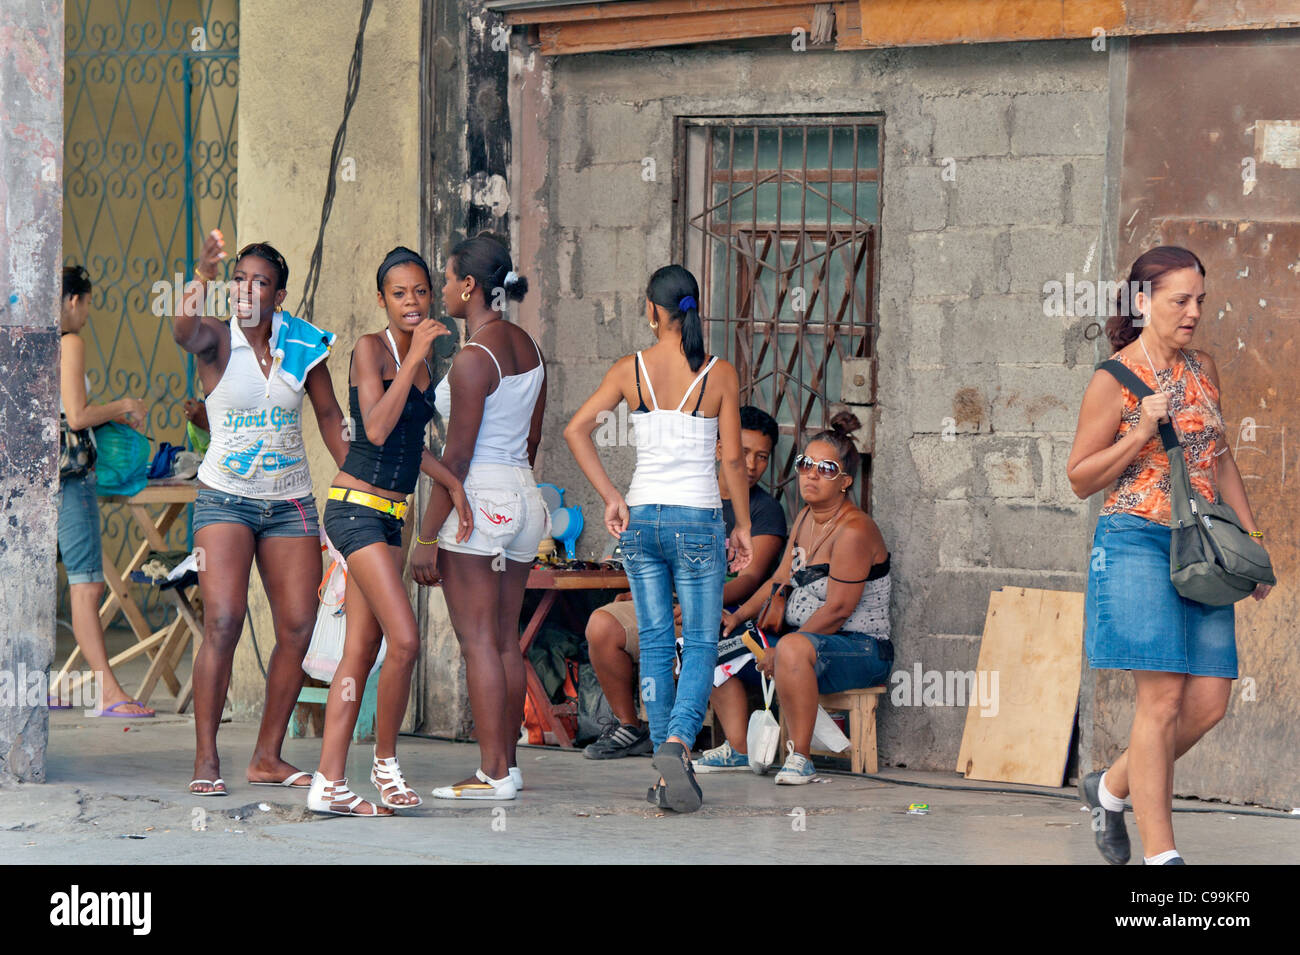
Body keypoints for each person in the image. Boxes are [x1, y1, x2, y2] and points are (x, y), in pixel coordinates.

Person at [1067, 245, 1269, 865]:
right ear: (1142, 301)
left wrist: (1252, 541)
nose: (1193, 312)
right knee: (1162, 700)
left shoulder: (1203, 368)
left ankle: (1109, 786)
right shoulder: (1115, 377)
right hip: (1137, 542)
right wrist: (1137, 434)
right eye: (1180, 300)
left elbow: (1220, 458)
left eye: (1199, 300)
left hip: (1204, 545)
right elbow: (1079, 477)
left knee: (1208, 702)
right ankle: (1163, 858)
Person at [565, 264, 753, 813]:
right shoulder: (720, 374)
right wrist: (740, 523)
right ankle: (677, 744)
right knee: (697, 642)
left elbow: (576, 430)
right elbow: (735, 458)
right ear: (693, 308)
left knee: (652, 642)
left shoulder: (631, 370)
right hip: (697, 519)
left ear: (652, 310)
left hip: (642, 519)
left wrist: (610, 496)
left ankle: (668, 775)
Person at [173, 231, 349, 796]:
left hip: (291, 501)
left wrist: (357, 479)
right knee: (222, 622)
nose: (248, 290)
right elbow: (182, 329)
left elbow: (327, 416)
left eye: (261, 282)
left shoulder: (304, 344)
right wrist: (201, 270)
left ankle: (267, 757)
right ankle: (206, 759)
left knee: (298, 626)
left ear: (279, 294)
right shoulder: (217, 340)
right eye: (240, 280)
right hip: (223, 497)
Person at [308, 247, 473, 817]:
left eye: (421, 292)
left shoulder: (423, 361)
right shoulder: (371, 350)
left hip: (393, 516)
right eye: (399, 293)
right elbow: (375, 430)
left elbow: (409, 443)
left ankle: (327, 782)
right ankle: (385, 764)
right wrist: (414, 356)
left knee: (364, 647)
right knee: (405, 639)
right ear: (382, 299)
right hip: (355, 508)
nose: (413, 302)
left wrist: (450, 480)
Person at [410, 233, 549, 802]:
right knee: (505, 641)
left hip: (478, 497)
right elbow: (533, 434)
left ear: (469, 286)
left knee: (478, 644)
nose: (440, 289)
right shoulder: (530, 347)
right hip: (524, 494)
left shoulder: (473, 358)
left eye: (445, 279)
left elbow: (456, 459)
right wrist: (512, 494)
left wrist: (425, 536)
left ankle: (492, 773)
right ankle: (508, 767)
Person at [583, 405, 787, 760]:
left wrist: (697, 603)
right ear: (720, 448)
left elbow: (751, 577)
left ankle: (677, 740)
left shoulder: (763, 511)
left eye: (762, 457)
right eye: (745, 453)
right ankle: (632, 727)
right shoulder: (692, 495)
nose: (752, 465)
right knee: (602, 624)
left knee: (683, 640)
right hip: (671, 599)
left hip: (722, 609)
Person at [720, 413, 892, 784]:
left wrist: (781, 651)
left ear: (845, 482)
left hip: (859, 649)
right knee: (710, 642)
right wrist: (738, 618)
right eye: (805, 464)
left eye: (826, 468)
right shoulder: (805, 519)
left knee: (795, 650)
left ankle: (801, 758)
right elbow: (779, 581)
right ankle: (737, 749)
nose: (812, 474)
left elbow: (838, 609)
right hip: (807, 642)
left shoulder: (854, 530)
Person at [53, 264, 154, 717]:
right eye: (88, 302)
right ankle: (110, 693)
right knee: (87, 584)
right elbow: (76, 415)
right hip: (69, 481)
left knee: (46, 585)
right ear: (74, 300)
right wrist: (123, 405)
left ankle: (42, 687)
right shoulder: (69, 341)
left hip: (33, 481)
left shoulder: (25, 340)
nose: (88, 313)